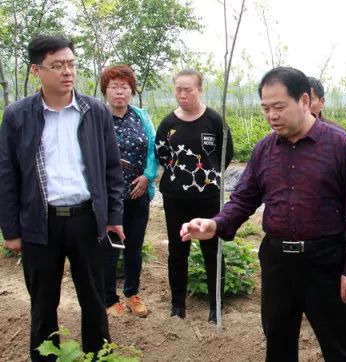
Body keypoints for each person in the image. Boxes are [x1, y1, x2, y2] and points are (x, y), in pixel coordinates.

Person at [180, 67, 346, 361]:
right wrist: (215, 224)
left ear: (305, 101)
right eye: (266, 108)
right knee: (278, 342)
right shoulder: (264, 149)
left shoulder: (340, 145)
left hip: (326, 263)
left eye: (279, 107)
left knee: (338, 346)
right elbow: (244, 198)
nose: (271, 115)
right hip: (278, 263)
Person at [0, 35, 124, 360]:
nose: (67, 72)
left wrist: (113, 217)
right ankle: (45, 357)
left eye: (71, 64)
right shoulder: (17, 116)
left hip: (87, 220)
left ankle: (99, 356)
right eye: (57, 66)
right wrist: (11, 230)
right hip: (41, 225)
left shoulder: (95, 111)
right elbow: (7, 176)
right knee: (43, 305)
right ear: (37, 70)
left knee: (95, 301)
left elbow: (112, 169)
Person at [155, 68, 233, 323]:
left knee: (213, 251)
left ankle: (215, 306)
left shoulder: (214, 121)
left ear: (200, 89)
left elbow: (225, 154)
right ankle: (178, 306)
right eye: (178, 89)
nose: (183, 94)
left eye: (188, 89)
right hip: (176, 198)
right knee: (178, 252)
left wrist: (208, 177)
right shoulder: (169, 124)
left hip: (209, 198)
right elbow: (163, 155)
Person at [100, 65, 157, 318]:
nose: (119, 92)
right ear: (106, 91)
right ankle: (109, 299)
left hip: (137, 194)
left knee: (134, 247)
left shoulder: (141, 116)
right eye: (114, 87)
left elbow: (153, 150)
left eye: (124, 87)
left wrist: (147, 176)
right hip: (110, 197)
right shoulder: (97, 117)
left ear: (132, 91)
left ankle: (132, 293)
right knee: (110, 248)